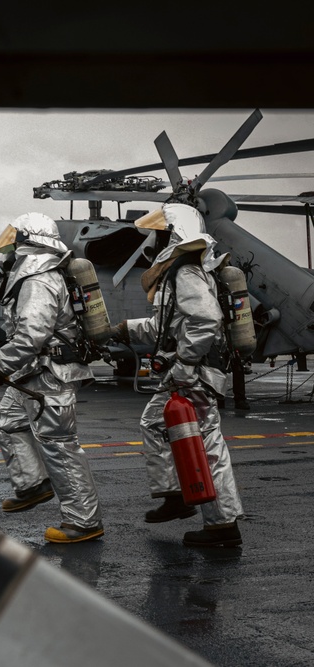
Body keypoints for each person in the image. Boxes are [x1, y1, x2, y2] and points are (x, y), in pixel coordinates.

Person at [113, 202, 245, 548]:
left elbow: (206, 321)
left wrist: (184, 366)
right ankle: (212, 517)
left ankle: (188, 504)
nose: (153, 242)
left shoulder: (185, 273)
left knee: (164, 427)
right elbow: (164, 327)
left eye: (160, 234)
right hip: (199, 372)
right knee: (204, 442)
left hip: (194, 374)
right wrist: (123, 330)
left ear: (175, 234)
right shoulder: (185, 272)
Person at [0, 212, 104, 544]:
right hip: (30, 373)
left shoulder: (38, 278)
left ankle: (83, 521)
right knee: (8, 421)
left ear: (29, 241)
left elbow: (31, 335)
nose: (11, 244)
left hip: (48, 376)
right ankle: (32, 485)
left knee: (60, 446)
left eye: (16, 237)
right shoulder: (36, 274)